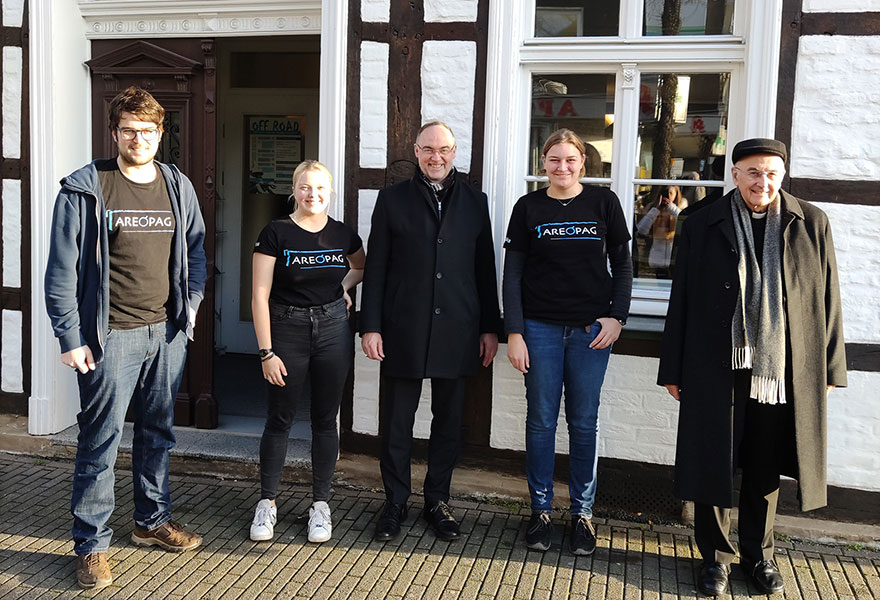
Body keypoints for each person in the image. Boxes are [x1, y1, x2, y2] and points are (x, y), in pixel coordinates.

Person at [658, 138, 847, 596]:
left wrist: (828, 370)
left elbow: (829, 300)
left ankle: (758, 556)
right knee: (713, 459)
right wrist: (674, 369)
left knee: (765, 464)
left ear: (782, 176)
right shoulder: (701, 222)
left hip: (782, 367)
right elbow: (680, 298)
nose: (763, 182)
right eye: (753, 173)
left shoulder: (811, 223)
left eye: (771, 174)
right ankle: (715, 560)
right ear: (736, 175)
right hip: (714, 363)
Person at [44, 86, 207, 590]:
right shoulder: (87, 188)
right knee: (101, 440)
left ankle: (151, 521)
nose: (140, 138)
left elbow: (197, 252)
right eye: (130, 130)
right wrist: (71, 337)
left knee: (158, 431)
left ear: (162, 133)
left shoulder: (177, 186)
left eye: (149, 130)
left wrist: (191, 308)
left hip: (167, 333)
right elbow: (61, 272)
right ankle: (92, 544)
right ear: (114, 133)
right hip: (110, 337)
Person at [360, 121, 501, 542]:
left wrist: (491, 328)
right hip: (403, 327)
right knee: (398, 422)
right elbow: (378, 266)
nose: (435, 157)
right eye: (427, 150)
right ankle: (395, 502)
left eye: (443, 150)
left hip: (458, 328)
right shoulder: (391, 199)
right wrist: (371, 325)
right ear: (416, 151)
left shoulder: (476, 201)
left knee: (448, 422)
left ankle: (437, 500)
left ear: (455, 152)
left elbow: (484, 269)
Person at [503, 128, 632, 555]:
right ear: (543, 163)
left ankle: (582, 514)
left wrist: (617, 317)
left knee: (583, 422)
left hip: (590, 333)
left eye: (570, 160)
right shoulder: (528, 207)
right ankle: (540, 510)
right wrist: (515, 332)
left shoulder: (604, 203)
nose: (562, 167)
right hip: (538, 329)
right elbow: (513, 274)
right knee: (540, 420)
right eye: (554, 159)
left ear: (582, 163)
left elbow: (624, 266)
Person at [248, 160, 365, 544]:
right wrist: (267, 352)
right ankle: (267, 502)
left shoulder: (343, 234)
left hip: (333, 330)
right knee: (279, 418)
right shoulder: (275, 233)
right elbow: (259, 295)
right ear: (293, 190)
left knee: (325, 419)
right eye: (304, 187)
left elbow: (360, 267)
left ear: (330, 192)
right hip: (287, 330)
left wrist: (342, 290)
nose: (312, 194)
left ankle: (320, 505)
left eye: (319, 188)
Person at [636, 184, 684, 277]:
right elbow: (641, 230)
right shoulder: (654, 209)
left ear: (676, 195)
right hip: (657, 258)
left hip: (674, 258)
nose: (668, 196)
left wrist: (671, 207)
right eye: (666, 193)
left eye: (671, 193)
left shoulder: (681, 208)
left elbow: (684, 222)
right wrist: (655, 210)